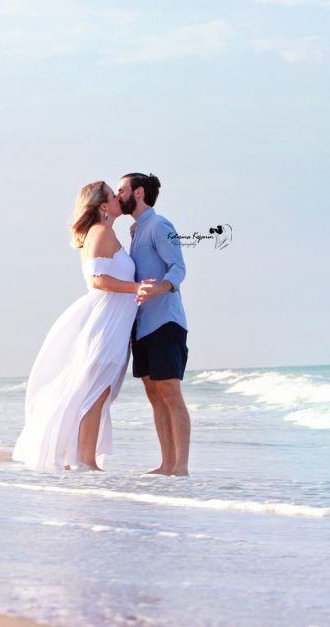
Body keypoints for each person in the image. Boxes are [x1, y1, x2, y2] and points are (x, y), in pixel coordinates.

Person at [12, 181, 155, 471]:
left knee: (95, 391)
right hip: (105, 323)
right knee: (96, 391)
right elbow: (98, 280)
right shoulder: (101, 232)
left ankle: (76, 457)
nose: (117, 197)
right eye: (112, 195)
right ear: (103, 206)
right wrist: (137, 287)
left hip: (112, 322)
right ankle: (86, 461)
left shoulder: (104, 232)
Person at [117, 173, 191, 476]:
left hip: (165, 321)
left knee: (170, 392)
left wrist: (159, 289)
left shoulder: (160, 225)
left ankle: (181, 467)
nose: (118, 194)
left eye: (122, 189)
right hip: (142, 325)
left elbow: (179, 267)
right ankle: (166, 464)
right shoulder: (135, 232)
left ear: (139, 192)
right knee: (152, 394)